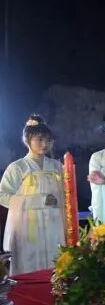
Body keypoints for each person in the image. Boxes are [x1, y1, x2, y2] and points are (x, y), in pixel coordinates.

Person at [0, 115, 65, 275]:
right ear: (27, 140)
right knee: (29, 266)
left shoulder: (57, 167)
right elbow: (2, 195)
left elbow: (66, 194)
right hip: (28, 227)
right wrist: (37, 201)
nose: (45, 144)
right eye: (40, 139)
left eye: (48, 140)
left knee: (56, 264)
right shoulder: (18, 167)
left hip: (54, 225)